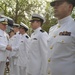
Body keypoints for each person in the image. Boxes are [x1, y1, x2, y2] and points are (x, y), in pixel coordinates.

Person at [47, 0, 75, 75]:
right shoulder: (52, 29)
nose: (55, 7)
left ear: (70, 7)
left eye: (59, 3)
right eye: (54, 4)